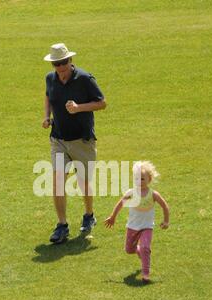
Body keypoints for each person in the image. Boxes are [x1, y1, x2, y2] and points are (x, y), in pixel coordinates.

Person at [43, 43, 106, 244]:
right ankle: (62, 225)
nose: (60, 67)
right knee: (58, 182)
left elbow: (102, 102)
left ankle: (89, 215)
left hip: (82, 140)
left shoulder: (84, 79)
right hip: (59, 139)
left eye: (63, 62)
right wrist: (46, 116)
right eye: (56, 63)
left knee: (83, 182)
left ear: (71, 61)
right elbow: (48, 96)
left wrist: (79, 108)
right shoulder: (50, 78)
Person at [104, 161, 170, 282]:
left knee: (146, 247)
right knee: (129, 250)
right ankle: (139, 251)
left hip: (147, 227)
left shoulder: (153, 194)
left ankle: (146, 274)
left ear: (149, 179)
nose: (139, 181)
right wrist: (112, 217)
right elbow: (120, 204)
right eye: (136, 178)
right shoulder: (131, 193)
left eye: (142, 179)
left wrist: (166, 221)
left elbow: (165, 206)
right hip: (132, 226)